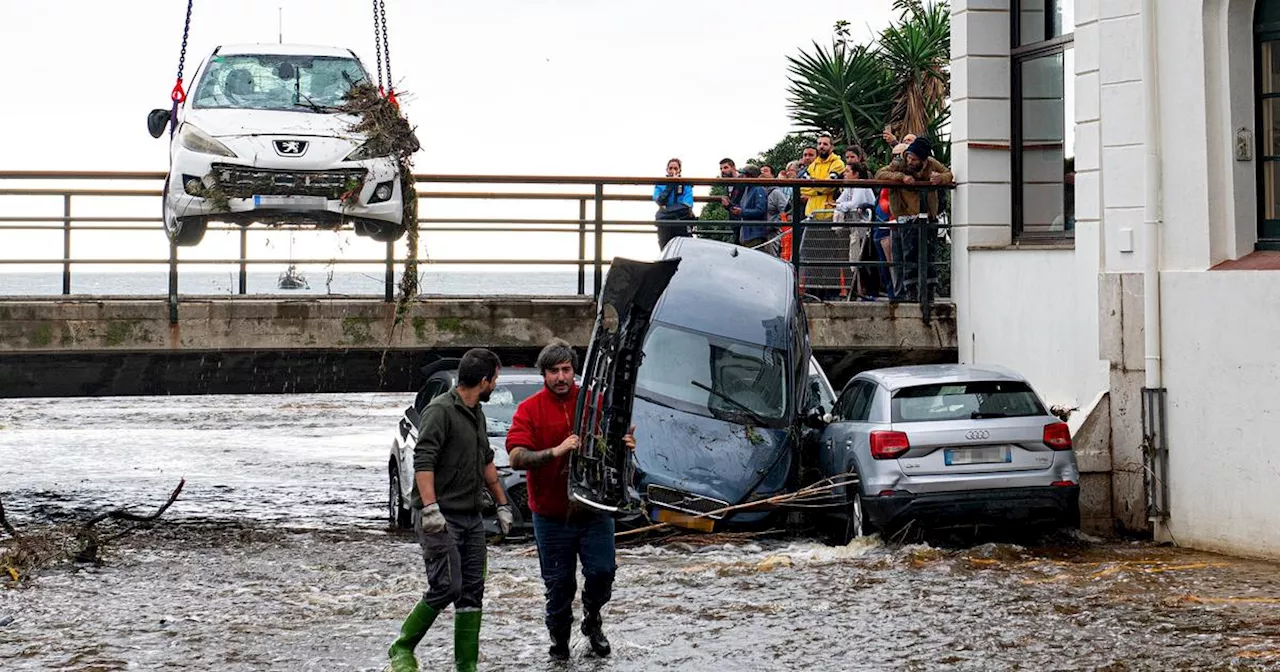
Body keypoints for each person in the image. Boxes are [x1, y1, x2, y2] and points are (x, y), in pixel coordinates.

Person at [506, 341, 637, 661]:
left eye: (566, 370)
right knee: (559, 586)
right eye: (554, 371)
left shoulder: (596, 403)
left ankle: (592, 619)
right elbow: (515, 458)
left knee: (603, 571)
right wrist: (557, 451)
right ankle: (559, 648)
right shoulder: (530, 410)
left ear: (575, 371)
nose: (561, 377)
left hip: (593, 510)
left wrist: (626, 445)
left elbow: (615, 445)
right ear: (544, 375)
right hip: (551, 515)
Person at [388, 348, 514, 672]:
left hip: (472, 519)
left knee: (472, 592)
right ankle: (401, 647)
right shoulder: (439, 411)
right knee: (447, 586)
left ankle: (466, 666)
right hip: (441, 517)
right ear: (484, 381)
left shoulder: (478, 414)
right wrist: (430, 509)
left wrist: (502, 504)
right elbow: (423, 459)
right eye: (495, 379)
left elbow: (486, 460)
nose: (495, 385)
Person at [875, 136, 953, 302]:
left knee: (930, 254)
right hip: (907, 215)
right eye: (909, 157)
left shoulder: (932, 163)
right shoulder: (900, 163)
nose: (910, 161)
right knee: (909, 254)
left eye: (914, 159)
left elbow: (948, 173)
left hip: (928, 214)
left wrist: (941, 178)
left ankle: (929, 291)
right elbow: (880, 173)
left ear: (923, 160)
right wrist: (901, 178)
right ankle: (910, 291)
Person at [834, 163, 878, 300]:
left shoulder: (860, 185)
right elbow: (838, 201)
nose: (844, 173)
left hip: (866, 229)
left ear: (856, 173)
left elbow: (852, 204)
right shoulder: (850, 187)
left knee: (866, 259)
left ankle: (871, 291)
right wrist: (842, 205)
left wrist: (841, 206)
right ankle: (861, 291)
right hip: (857, 229)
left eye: (847, 171)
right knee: (857, 258)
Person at [653, 158, 695, 250]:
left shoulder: (686, 184)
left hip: (680, 221)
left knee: (684, 250)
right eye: (671, 168)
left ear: (680, 170)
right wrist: (671, 184)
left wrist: (664, 212)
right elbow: (659, 200)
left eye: (675, 168)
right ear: (667, 170)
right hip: (666, 224)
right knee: (665, 249)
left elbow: (687, 206)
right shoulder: (660, 184)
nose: (673, 171)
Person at [735, 166, 773, 254]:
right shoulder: (747, 190)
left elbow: (760, 210)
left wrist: (742, 212)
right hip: (747, 234)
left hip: (755, 234)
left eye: (743, 175)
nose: (741, 177)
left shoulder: (758, 189)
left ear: (749, 176)